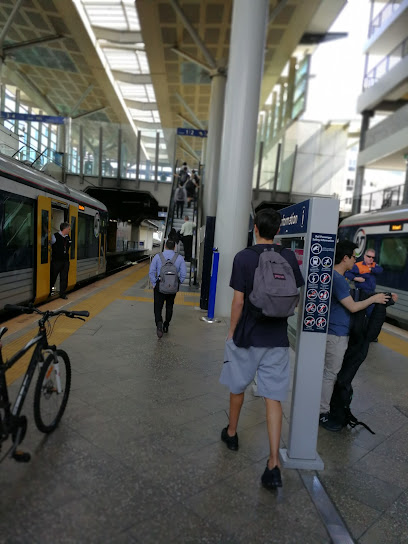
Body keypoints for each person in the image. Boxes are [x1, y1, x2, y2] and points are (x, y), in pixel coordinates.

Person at [219, 208, 304, 489]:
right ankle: (273, 464)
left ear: (255, 228)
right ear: (277, 230)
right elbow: (295, 295)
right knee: (273, 399)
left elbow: (239, 302)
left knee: (237, 387)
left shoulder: (244, 257)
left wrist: (231, 332)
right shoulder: (289, 256)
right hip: (278, 338)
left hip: (247, 336)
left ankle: (232, 433)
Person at [319, 240, 391, 432]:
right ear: (345, 258)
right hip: (336, 334)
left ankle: (321, 407)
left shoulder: (332, 275)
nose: (355, 260)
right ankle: (322, 412)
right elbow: (352, 306)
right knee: (330, 374)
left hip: (332, 332)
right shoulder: (339, 279)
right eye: (353, 256)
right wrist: (374, 299)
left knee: (327, 372)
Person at [149, 239, 186, 338]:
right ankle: (166, 325)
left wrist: (154, 283)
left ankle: (159, 324)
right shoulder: (179, 258)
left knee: (158, 307)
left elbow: (151, 272)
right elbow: (183, 274)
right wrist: (177, 283)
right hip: (173, 287)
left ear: (165, 246)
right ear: (175, 247)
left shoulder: (158, 256)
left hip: (159, 286)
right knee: (169, 306)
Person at [50, 221, 71, 300]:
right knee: (53, 277)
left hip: (65, 261)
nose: (69, 230)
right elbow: (50, 245)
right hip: (56, 261)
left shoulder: (68, 237)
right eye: (68, 229)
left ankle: (62, 293)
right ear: (64, 229)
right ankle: (51, 291)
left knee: (64, 278)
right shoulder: (54, 236)